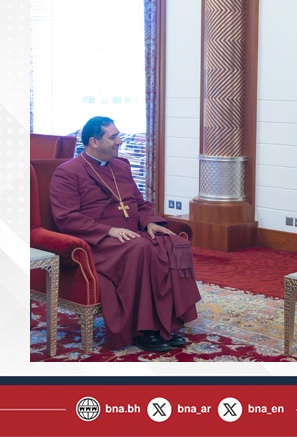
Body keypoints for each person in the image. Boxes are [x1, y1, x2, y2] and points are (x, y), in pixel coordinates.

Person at [50, 116, 201, 352]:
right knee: (140, 248)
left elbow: (139, 203)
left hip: (131, 234)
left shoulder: (121, 166)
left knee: (171, 242)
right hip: (98, 241)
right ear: (94, 142)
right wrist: (109, 230)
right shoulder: (67, 172)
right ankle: (142, 330)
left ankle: (166, 323)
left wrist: (149, 222)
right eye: (113, 137)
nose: (119, 141)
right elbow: (66, 217)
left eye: (118, 135)